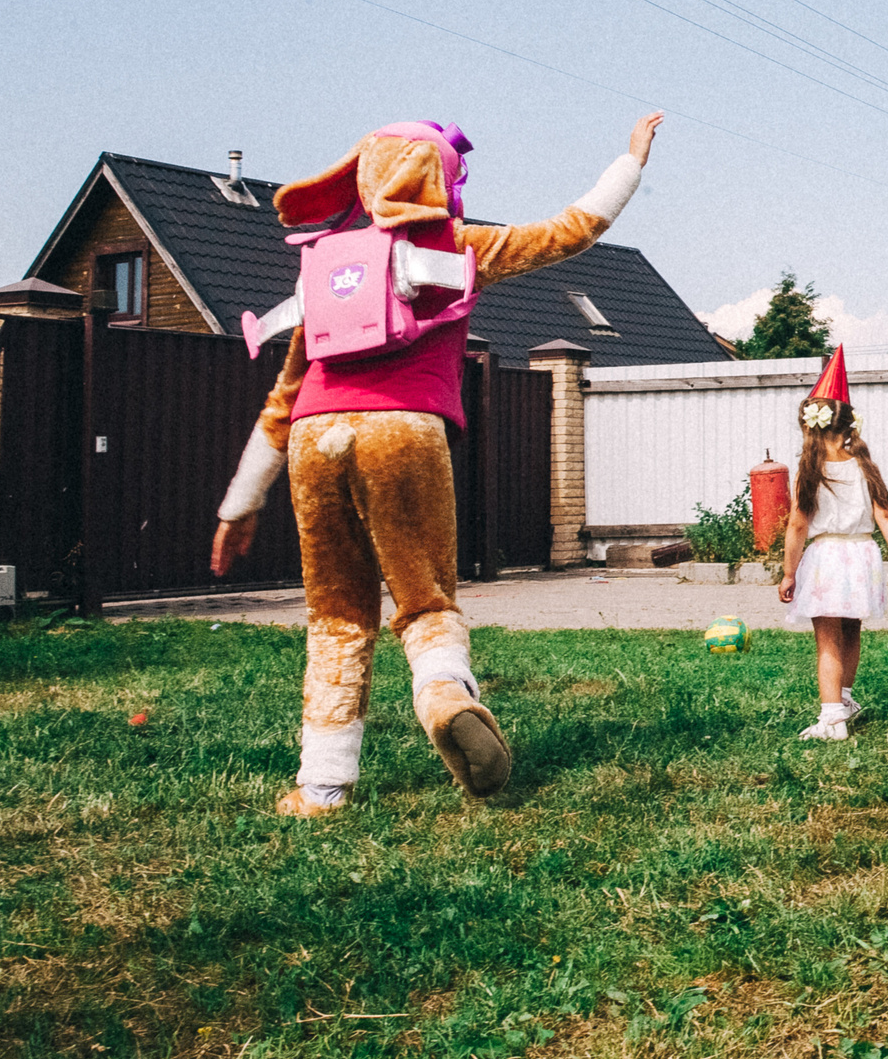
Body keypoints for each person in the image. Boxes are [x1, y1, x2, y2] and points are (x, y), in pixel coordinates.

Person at [213, 113, 661, 816]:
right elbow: (572, 229)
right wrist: (630, 162)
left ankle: (323, 785)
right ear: (444, 177)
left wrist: (239, 504)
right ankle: (446, 693)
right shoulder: (457, 243)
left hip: (311, 436)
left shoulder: (330, 258)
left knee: (336, 616)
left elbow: (282, 396)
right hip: (403, 430)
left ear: (359, 177)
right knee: (423, 600)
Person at [777, 348, 888, 739]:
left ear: (812, 427)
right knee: (851, 631)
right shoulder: (864, 465)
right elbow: (885, 516)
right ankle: (845, 699)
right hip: (862, 555)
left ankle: (832, 719)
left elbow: (797, 526)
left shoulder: (810, 471)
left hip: (828, 558)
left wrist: (789, 573)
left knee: (827, 640)